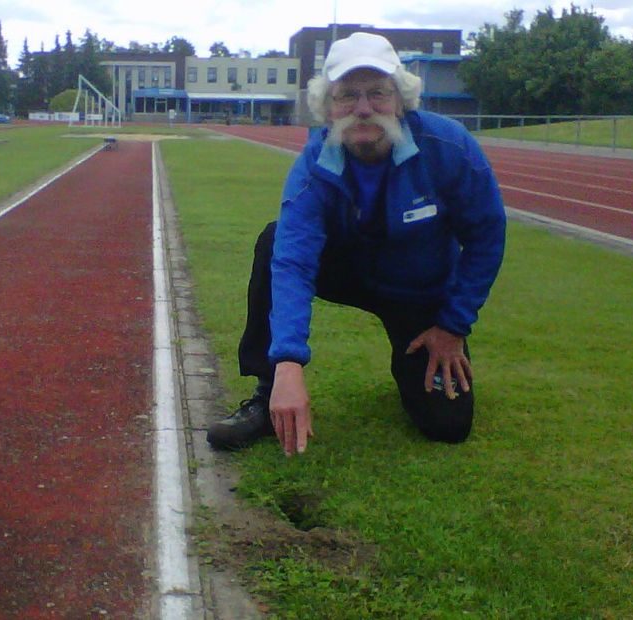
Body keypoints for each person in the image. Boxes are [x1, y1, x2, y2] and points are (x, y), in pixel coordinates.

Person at [206, 33, 506, 456]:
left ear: (400, 100)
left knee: (447, 426)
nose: (363, 108)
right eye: (347, 95)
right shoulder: (314, 164)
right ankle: (267, 389)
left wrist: (453, 325)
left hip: (419, 292)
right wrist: (288, 361)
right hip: (350, 272)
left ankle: (410, 364)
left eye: (377, 93)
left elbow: (486, 238)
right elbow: (294, 262)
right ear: (327, 108)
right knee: (274, 241)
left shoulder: (450, 149)